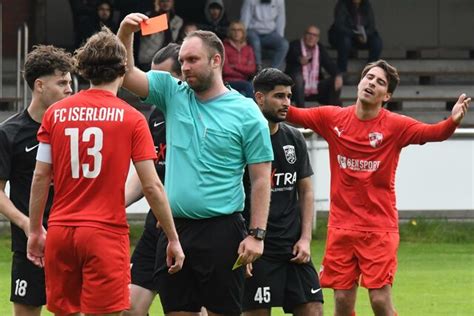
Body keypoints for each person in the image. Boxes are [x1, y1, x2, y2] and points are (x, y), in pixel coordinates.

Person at [285, 59, 471, 316]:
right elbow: (291, 113)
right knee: (342, 302)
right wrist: (261, 98)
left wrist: (452, 121)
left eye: (380, 82)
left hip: (378, 228)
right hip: (341, 228)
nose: (372, 83)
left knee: (380, 301)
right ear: (360, 82)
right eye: (369, 77)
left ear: (388, 95)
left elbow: (433, 133)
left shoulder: (396, 126)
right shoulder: (333, 118)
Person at [118, 14, 274, 315]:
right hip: (173, 229)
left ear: (216, 61)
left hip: (222, 231)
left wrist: (257, 235)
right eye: (182, 60)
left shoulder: (247, 113)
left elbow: (261, 180)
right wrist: (125, 33)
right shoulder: (172, 93)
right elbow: (125, 74)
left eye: (192, 60)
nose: (185, 67)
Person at [26, 28, 184, 315]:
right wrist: (173, 238)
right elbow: (152, 186)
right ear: (123, 70)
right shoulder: (133, 118)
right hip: (105, 233)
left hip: (61, 230)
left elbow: (40, 176)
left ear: (84, 69)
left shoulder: (55, 113)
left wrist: (36, 229)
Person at [242, 68, 324, 315]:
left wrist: (306, 238)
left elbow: (306, 191)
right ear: (259, 98)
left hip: (293, 249)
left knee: (313, 309)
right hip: (258, 249)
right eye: (279, 96)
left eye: (289, 96)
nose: (286, 103)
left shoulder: (294, 138)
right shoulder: (241, 139)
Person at [0, 45, 73, 316]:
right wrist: (29, 226)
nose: (70, 89)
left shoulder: (74, 130)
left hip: (71, 241)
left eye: (70, 82)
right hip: (30, 246)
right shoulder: (10, 133)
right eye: (62, 82)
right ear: (40, 85)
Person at [124, 43, 181, 316]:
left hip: (191, 226)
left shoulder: (206, 113)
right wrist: (116, 202)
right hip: (155, 224)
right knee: (129, 308)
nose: (152, 87)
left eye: (160, 79)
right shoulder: (156, 115)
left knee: (186, 310)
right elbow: (147, 171)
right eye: (151, 78)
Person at [286, 25, 343, 107]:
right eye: (309, 34)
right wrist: (299, 59)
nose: (311, 37)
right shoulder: (294, 45)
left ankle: (333, 110)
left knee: (336, 79)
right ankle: (301, 111)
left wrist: (338, 75)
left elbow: (329, 64)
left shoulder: (319, 48)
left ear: (317, 38)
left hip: (314, 87)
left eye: (314, 35)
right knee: (298, 77)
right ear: (304, 35)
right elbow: (290, 57)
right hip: (295, 88)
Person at [328, 0, 383, 73]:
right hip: (344, 36)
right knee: (345, 41)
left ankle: (370, 70)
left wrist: (364, 35)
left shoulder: (366, 5)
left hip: (361, 37)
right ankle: (341, 72)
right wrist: (355, 34)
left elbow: (371, 26)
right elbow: (340, 26)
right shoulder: (342, 4)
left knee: (377, 42)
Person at [240, 0, 289, 70]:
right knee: (256, 43)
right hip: (253, 31)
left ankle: (272, 71)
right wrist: (242, 37)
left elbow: (281, 19)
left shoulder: (279, 1)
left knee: (284, 44)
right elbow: (245, 17)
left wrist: (279, 37)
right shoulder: (249, 1)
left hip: (270, 33)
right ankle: (258, 68)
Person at [138, 0, 183, 71]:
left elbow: (173, 40)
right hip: (147, 59)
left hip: (167, 59)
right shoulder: (146, 17)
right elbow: (146, 33)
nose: (165, 3)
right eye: (162, 1)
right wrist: (156, 12)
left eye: (168, 1)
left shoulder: (177, 20)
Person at [223, 20, 257, 98]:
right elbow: (225, 70)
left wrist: (234, 66)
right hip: (228, 82)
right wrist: (244, 71)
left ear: (243, 33)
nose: (236, 33)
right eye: (233, 30)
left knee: (245, 93)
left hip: (244, 82)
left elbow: (252, 69)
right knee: (248, 87)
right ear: (230, 32)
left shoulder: (248, 49)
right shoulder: (224, 47)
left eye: (239, 30)